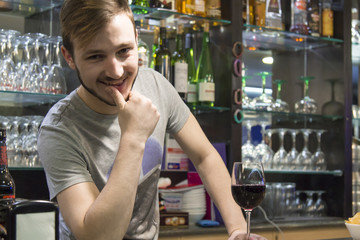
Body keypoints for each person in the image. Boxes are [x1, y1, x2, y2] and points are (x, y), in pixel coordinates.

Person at [37, 0, 267, 239]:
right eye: (96, 56)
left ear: (137, 39)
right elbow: (97, 236)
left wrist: (239, 229)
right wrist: (134, 137)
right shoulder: (58, 130)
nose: (116, 72)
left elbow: (205, 156)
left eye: (124, 51)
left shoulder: (155, 85)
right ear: (69, 56)